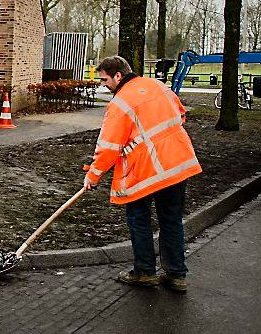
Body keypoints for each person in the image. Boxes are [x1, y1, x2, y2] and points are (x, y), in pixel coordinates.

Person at [84, 55, 202, 293]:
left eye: (105, 80)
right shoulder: (158, 86)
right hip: (177, 165)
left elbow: (108, 147)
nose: (104, 85)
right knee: (171, 221)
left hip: (145, 173)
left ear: (118, 75)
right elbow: (180, 115)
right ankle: (177, 275)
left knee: (139, 220)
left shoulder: (120, 104)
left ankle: (145, 272)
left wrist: (93, 176)